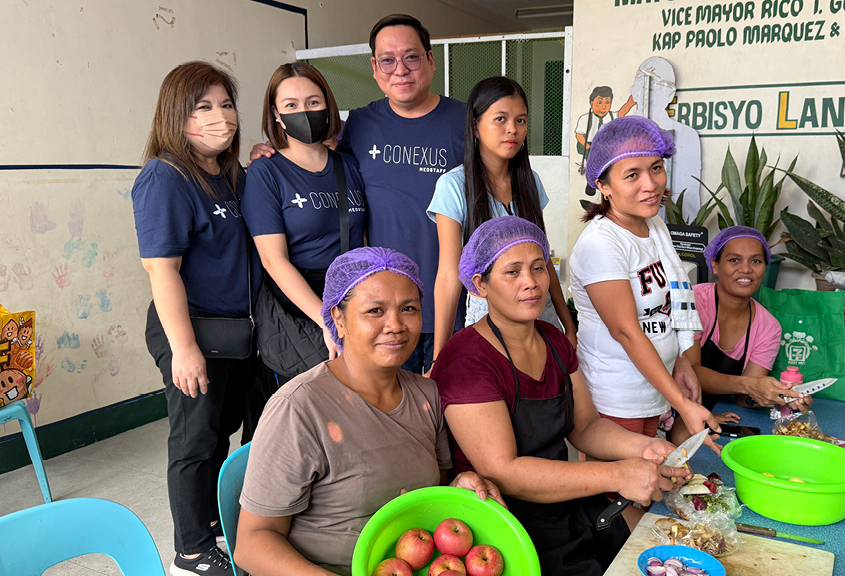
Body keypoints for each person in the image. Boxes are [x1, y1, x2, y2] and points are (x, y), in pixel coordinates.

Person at [432, 217, 692, 576]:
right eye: (513, 272)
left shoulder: (553, 340)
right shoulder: (466, 359)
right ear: (480, 284)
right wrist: (616, 476)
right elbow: (502, 471)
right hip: (501, 523)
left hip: (563, 503)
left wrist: (643, 449)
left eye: (538, 268)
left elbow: (584, 426)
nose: (531, 283)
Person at [233, 247, 502, 576]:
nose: (395, 325)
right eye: (375, 310)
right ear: (338, 318)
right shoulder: (299, 408)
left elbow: (431, 494)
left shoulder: (426, 394)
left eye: (408, 308)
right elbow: (251, 544)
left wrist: (458, 485)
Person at [251, 14, 465, 374]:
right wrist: (269, 150)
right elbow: (313, 155)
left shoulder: (465, 122)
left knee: (453, 412)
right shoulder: (362, 125)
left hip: (454, 304)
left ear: (430, 59)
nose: (400, 69)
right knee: (388, 415)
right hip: (381, 314)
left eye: (412, 56)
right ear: (374, 68)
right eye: (387, 59)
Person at [132, 61, 260, 576]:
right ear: (175, 114)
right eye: (202, 107)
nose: (219, 117)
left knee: (219, 433)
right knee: (193, 439)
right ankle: (188, 551)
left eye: (225, 104)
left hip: (233, 332)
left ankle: (210, 527)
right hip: (190, 329)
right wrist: (184, 349)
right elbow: (161, 270)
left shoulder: (228, 175)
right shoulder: (165, 176)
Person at [569, 116, 720, 453]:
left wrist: (682, 360)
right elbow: (626, 332)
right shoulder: (602, 244)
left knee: (649, 486)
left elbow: (675, 299)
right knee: (619, 499)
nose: (650, 184)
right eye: (632, 175)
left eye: (656, 168)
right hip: (615, 397)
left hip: (653, 390)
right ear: (604, 185)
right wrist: (681, 402)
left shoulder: (654, 227)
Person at [428, 76, 575, 363]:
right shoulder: (454, 186)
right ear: (475, 126)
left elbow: (543, 259)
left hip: (539, 316)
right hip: (490, 321)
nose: (512, 129)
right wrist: (439, 358)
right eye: (501, 119)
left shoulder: (530, 182)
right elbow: (448, 275)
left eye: (521, 120)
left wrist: (568, 324)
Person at [242, 62, 366, 381]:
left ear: (327, 104)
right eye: (291, 105)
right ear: (276, 114)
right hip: (301, 309)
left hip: (352, 299)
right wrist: (326, 320)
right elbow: (273, 260)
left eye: (313, 102)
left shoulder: (349, 165)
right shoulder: (265, 172)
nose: (304, 111)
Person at [672, 226, 809, 442]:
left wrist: (779, 396)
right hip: (669, 403)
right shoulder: (694, 303)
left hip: (713, 408)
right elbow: (691, 374)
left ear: (765, 268)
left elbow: (745, 398)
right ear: (715, 265)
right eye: (734, 260)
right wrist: (748, 385)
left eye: (755, 261)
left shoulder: (768, 327)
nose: (746, 269)